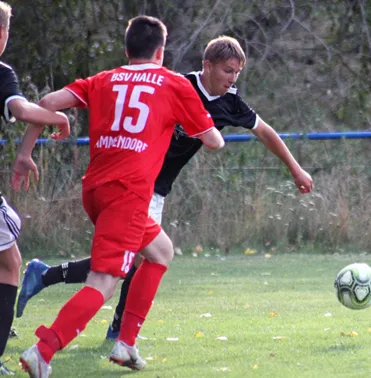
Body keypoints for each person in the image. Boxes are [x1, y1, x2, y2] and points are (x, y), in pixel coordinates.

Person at [15, 35, 314, 340]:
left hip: (154, 189)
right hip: (135, 183)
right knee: (140, 257)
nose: (232, 78)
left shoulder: (230, 102)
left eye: (237, 72)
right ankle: (112, 331)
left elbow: (264, 131)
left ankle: (51, 280)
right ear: (207, 66)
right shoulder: (174, 86)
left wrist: (296, 169)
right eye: (227, 70)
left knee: (137, 257)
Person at [12, 15, 224, 377]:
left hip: (95, 190)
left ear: (127, 50)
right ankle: (43, 350)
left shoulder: (103, 79)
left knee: (160, 252)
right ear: (160, 52)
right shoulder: (173, 83)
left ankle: (126, 344)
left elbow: (48, 101)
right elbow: (214, 141)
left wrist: (25, 152)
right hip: (127, 194)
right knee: (104, 282)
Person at [0, 2, 70, 375]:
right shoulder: (1, 72)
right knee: (9, 264)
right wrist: (58, 117)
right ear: (2, 32)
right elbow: (23, 110)